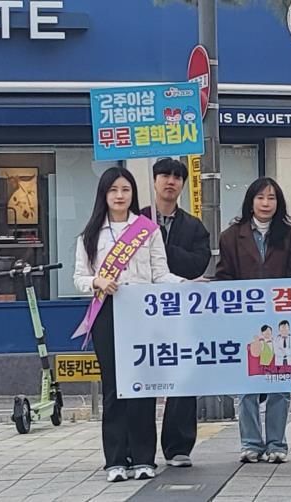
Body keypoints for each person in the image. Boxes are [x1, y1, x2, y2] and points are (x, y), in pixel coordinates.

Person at [73, 167, 184, 482]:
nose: (119, 196)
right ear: (104, 195)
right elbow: (79, 277)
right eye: (113, 190)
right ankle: (115, 460)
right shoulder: (90, 235)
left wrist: (187, 285)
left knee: (143, 385)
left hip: (142, 313)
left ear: (133, 193)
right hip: (107, 313)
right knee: (113, 387)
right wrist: (97, 281)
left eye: (125, 190)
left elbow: (160, 274)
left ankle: (144, 458)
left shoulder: (147, 230)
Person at [215, 177, 291, 464]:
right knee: (247, 383)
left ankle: (277, 443)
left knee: (280, 385)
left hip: (281, 320)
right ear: (250, 201)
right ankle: (250, 443)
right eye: (260, 197)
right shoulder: (231, 236)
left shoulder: (290, 236)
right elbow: (224, 276)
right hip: (245, 320)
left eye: (272, 198)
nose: (266, 203)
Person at [141, 157, 211, 469]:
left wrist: (162, 247)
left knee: (183, 375)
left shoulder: (194, 226)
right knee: (142, 377)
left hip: (181, 313)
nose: (170, 182)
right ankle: (140, 448)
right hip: (142, 313)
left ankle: (178, 446)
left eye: (176, 177)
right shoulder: (135, 221)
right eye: (164, 176)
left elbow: (197, 264)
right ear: (154, 180)